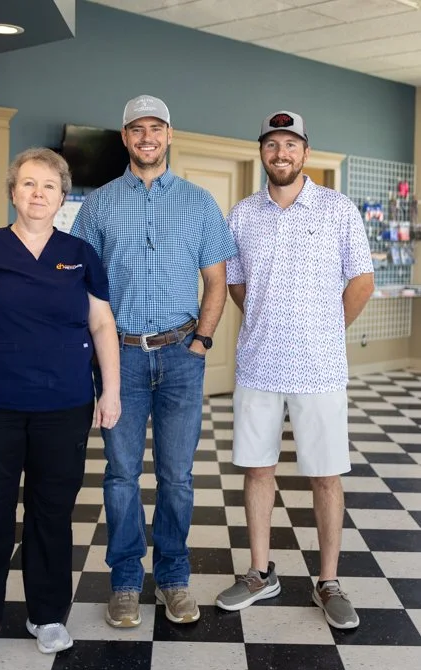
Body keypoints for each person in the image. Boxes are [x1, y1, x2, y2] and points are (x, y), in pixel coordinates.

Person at [0, 147, 120, 658]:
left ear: (63, 196)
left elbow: (102, 323)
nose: (38, 194)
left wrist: (110, 390)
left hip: (63, 405)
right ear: (13, 192)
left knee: (51, 513)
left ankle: (47, 617)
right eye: (28, 184)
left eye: (48, 186)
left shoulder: (81, 253)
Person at [71, 95, 236, 627]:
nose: (147, 137)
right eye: (136, 129)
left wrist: (202, 343)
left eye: (156, 128)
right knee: (120, 476)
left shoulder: (199, 202)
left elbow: (216, 280)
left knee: (177, 477)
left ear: (170, 134)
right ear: (124, 137)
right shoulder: (98, 205)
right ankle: (123, 582)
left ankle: (173, 579)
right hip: (118, 357)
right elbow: (82, 283)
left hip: (182, 357)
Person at [216, 111, 374, 630]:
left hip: (320, 368)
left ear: (305, 152)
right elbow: (236, 283)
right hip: (258, 364)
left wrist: (326, 327)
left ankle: (327, 582)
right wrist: (265, 317)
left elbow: (361, 283)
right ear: (261, 151)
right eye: (271, 144)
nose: (280, 153)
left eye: (290, 144)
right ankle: (261, 573)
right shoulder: (241, 214)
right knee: (257, 470)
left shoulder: (337, 209)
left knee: (326, 477)